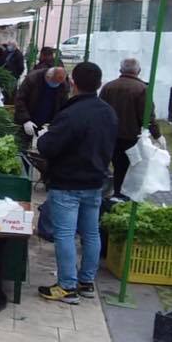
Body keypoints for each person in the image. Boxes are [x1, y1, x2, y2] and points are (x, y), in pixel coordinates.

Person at [36, 62, 118, 303]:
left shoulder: (71, 114)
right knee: (90, 233)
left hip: (68, 182)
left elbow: (49, 147)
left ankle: (67, 286)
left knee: (65, 234)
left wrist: (43, 138)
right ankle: (86, 282)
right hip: (96, 181)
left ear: (72, 83)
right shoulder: (108, 112)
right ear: (100, 84)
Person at [99, 57, 165, 198]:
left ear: (120, 70)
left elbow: (99, 111)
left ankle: (116, 193)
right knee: (132, 169)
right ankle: (125, 196)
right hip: (131, 137)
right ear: (138, 71)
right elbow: (147, 116)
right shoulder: (142, 89)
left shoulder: (108, 87)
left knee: (116, 166)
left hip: (109, 135)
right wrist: (157, 135)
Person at [14, 67, 69, 137]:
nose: (56, 85)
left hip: (47, 125)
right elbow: (20, 100)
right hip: (29, 120)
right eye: (54, 82)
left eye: (58, 83)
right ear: (48, 77)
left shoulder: (62, 84)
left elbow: (64, 107)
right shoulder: (33, 78)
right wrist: (25, 120)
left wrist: (54, 125)